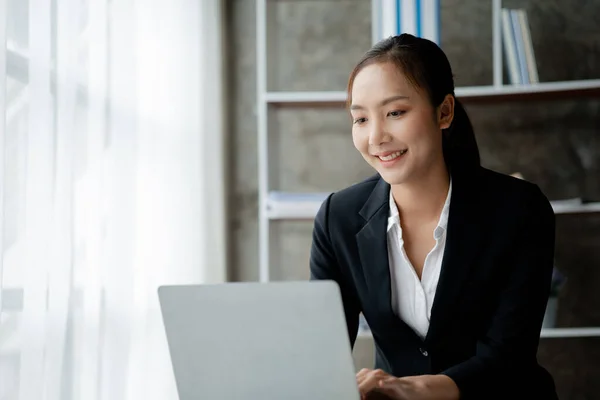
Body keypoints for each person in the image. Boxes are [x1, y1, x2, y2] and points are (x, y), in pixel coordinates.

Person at [309, 34, 558, 400]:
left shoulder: (519, 209)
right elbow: (321, 353)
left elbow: (509, 353)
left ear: (444, 112)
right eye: (360, 118)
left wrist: (415, 388)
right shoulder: (338, 218)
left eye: (395, 112)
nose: (375, 136)